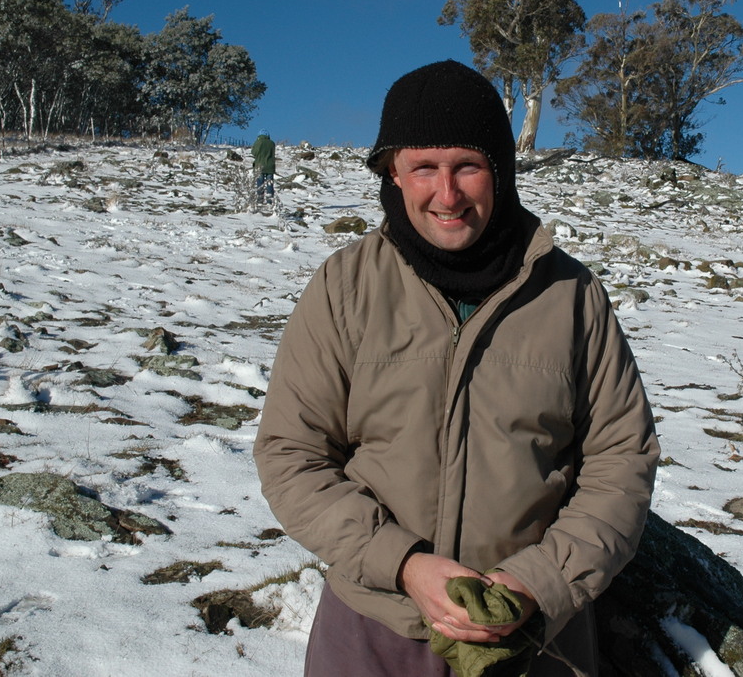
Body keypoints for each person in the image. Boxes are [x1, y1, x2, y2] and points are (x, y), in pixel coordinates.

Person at [253, 59, 658, 676]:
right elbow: (291, 454)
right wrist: (405, 565)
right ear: (392, 172)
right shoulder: (345, 287)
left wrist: (536, 584)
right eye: (424, 168)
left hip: (537, 639)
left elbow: (621, 464)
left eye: (467, 166)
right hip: (373, 629)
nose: (447, 194)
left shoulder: (572, 296)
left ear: (500, 171)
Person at [252, 128, 276, 206]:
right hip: (270, 167)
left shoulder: (258, 142)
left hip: (259, 166)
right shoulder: (272, 143)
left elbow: (253, 152)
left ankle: (260, 201)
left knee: (260, 184)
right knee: (270, 185)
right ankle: (270, 201)